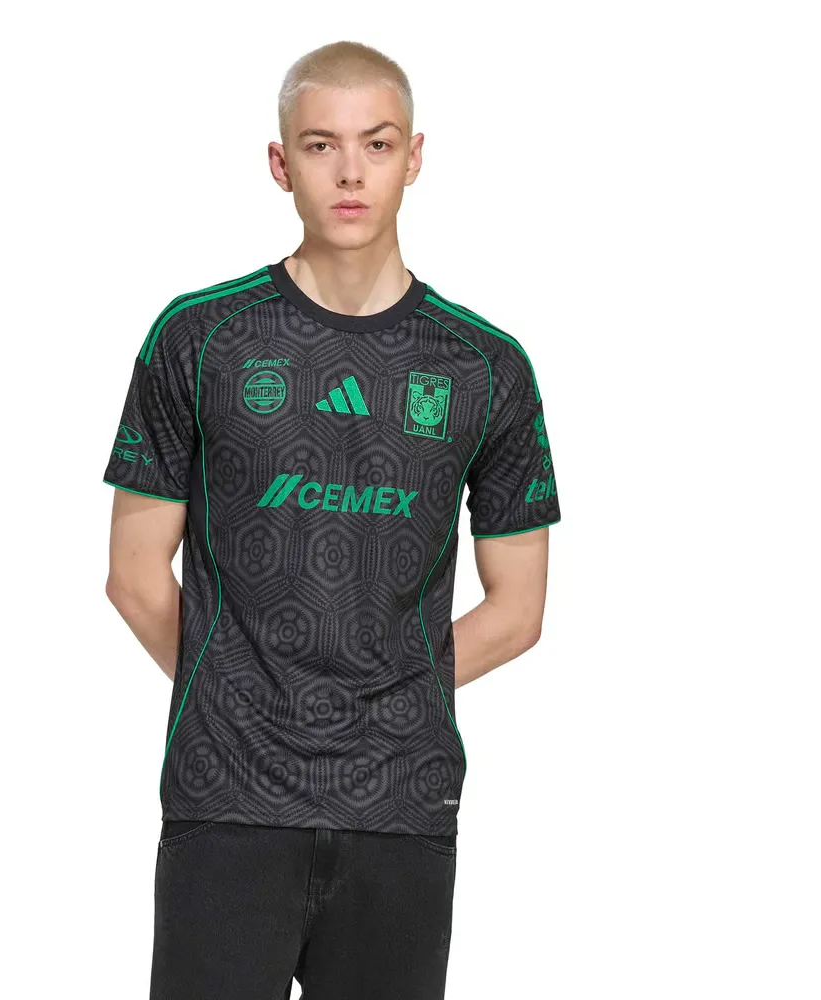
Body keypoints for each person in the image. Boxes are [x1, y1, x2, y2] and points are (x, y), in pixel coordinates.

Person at [102, 39, 561, 1000]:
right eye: (321, 145)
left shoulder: (485, 367)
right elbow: (135, 576)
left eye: (377, 144)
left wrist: (384, 699)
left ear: (414, 157)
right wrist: (242, 696)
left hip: (402, 801)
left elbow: (519, 608)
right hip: (226, 799)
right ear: (282, 164)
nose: (351, 171)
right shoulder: (200, 338)